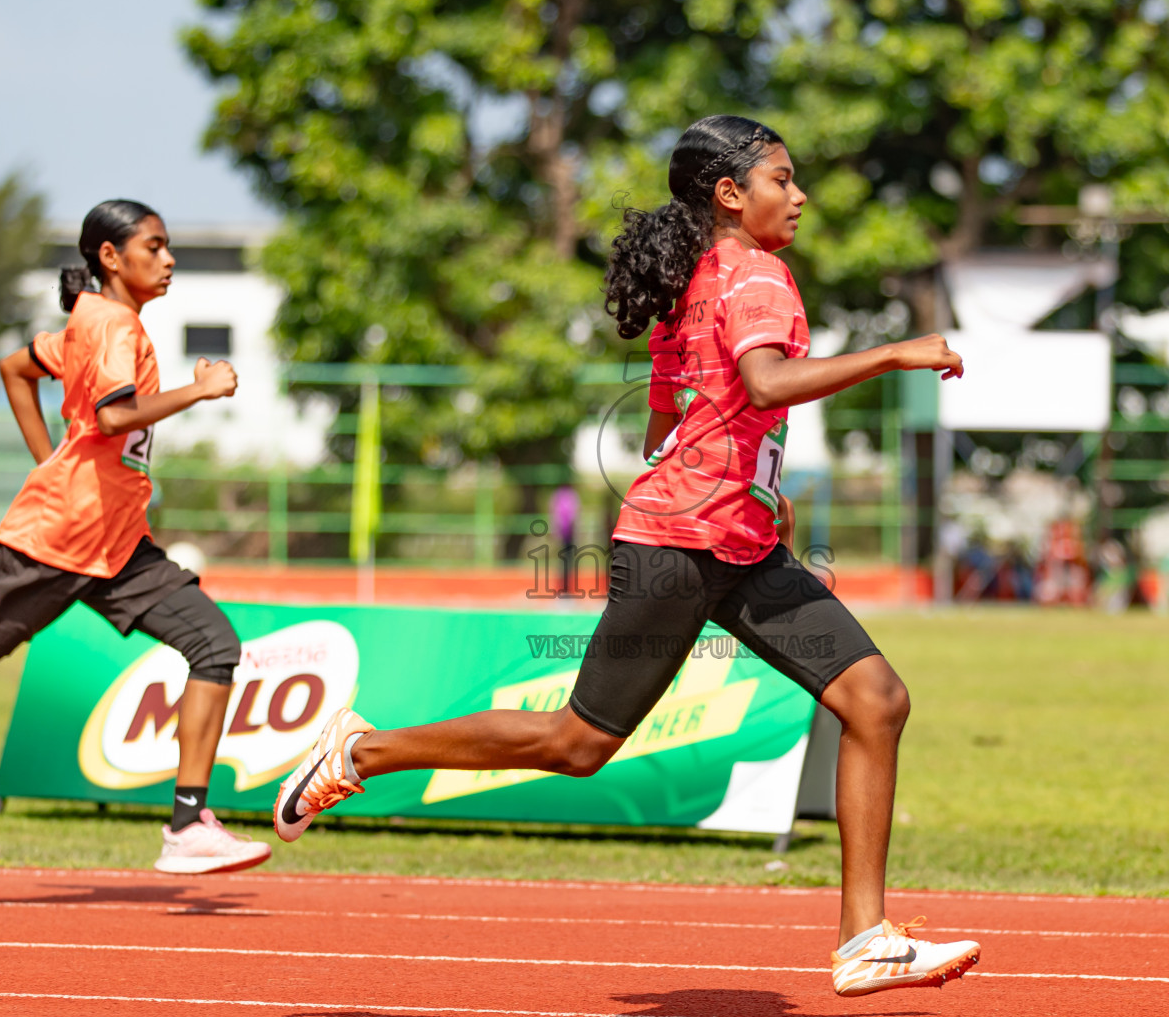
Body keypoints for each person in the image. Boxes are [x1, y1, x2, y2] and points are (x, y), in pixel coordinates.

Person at [273, 116, 976, 997]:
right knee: (577, 744)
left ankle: (864, 937)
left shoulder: (696, 280)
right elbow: (762, 384)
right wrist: (896, 354)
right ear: (730, 194)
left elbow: (666, 417)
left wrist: (751, 486)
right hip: (682, 547)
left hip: (735, 542)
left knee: (875, 700)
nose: (798, 197)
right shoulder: (759, 274)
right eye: (782, 180)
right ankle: (364, 751)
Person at [0, 200, 269, 875]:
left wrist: (46, 458)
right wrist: (198, 391)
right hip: (55, 541)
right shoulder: (111, 327)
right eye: (155, 247)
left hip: (117, 546)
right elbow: (112, 418)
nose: (168, 261)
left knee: (213, 644)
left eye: (169, 249)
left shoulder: (97, 324)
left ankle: (190, 825)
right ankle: (189, 824)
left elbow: (17, 367)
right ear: (111, 257)